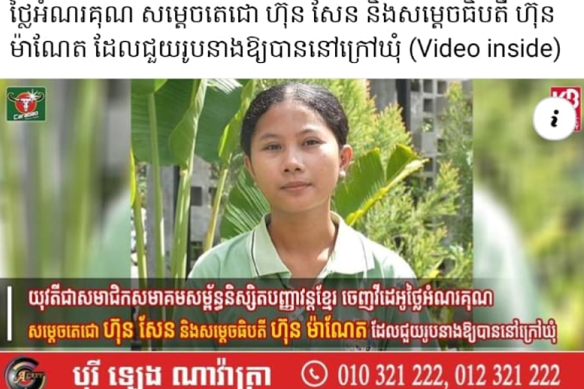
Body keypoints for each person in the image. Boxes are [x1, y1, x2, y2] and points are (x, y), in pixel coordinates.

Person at [169, 82, 437, 350]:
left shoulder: (388, 276)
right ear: (250, 167)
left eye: (310, 142)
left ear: (343, 160)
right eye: (273, 147)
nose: (292, 163)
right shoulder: (214, 274)